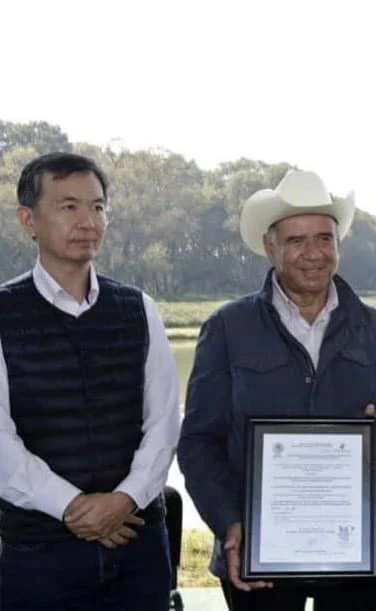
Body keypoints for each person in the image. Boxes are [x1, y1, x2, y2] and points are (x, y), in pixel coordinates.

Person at [178, 169, 376, 611]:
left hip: (356, 548)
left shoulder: (374, 327)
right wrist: (228, 522)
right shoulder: (227, 328)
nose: (313, 254)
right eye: (295, 241)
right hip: (258, 546)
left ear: (338, 246)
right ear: (270, 248)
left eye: (324, 238)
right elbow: (197, 442)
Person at [0, 152, 181, 610]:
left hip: (138, 547)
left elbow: (162, 422)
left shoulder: (139, 309)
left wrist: (124, 500)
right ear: (28, 220)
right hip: (39, 552)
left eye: (98, 207)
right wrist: (74, 508)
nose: (88, 221)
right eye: (69, 207)